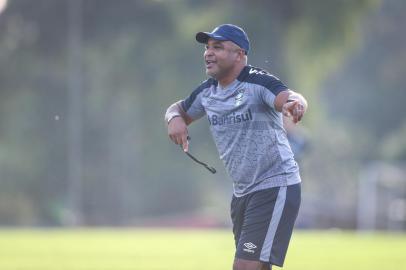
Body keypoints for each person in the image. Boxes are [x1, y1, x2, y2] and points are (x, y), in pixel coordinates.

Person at [164, 24, 308, 270]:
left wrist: (295, 104)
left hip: (275, 186)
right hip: (242, 193)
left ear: (239, 54)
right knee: (258, 266)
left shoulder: (257, 82)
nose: (208, 53)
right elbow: (176, 109)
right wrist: (174, 119)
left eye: (217, 47)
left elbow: (291, 96)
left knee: (243, 266)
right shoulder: (207, 92)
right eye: (207, 48)